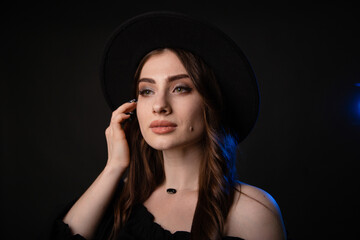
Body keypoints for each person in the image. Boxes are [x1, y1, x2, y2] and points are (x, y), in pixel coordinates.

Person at [48, 11, 287, 240]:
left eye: (180, 88)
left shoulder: (252, 211)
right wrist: (114, 167)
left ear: (210, 103)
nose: (159, 105)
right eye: (147, 91)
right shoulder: (116, 201)